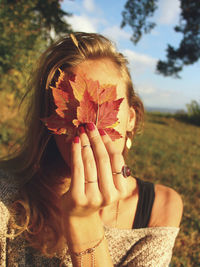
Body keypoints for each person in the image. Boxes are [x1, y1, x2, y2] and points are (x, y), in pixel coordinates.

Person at [0, 32, 183, 267]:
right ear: (49, 124)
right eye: (70, 112)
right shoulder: (6, 199)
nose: (88, 128)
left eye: (102, 107)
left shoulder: (160, 208)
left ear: (131, 118)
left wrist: (84, 225)